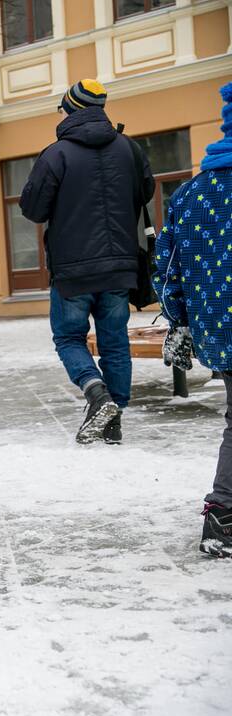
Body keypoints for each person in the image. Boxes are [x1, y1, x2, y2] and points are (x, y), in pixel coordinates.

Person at [20, 79, 155, 445]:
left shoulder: (55, 155)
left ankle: (97, 393)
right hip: (120, 267)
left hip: (72, 270)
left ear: (71, 110)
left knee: (68, 337)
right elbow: (146, 191)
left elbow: (32, 209)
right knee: (114, 343)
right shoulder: (129, 149)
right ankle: (114, 420)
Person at [152, 81, 232, 558]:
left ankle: (222, 516)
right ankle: (222, 513)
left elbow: (168, 272)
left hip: (219, 330)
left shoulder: (189, 195)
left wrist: (181, 324)